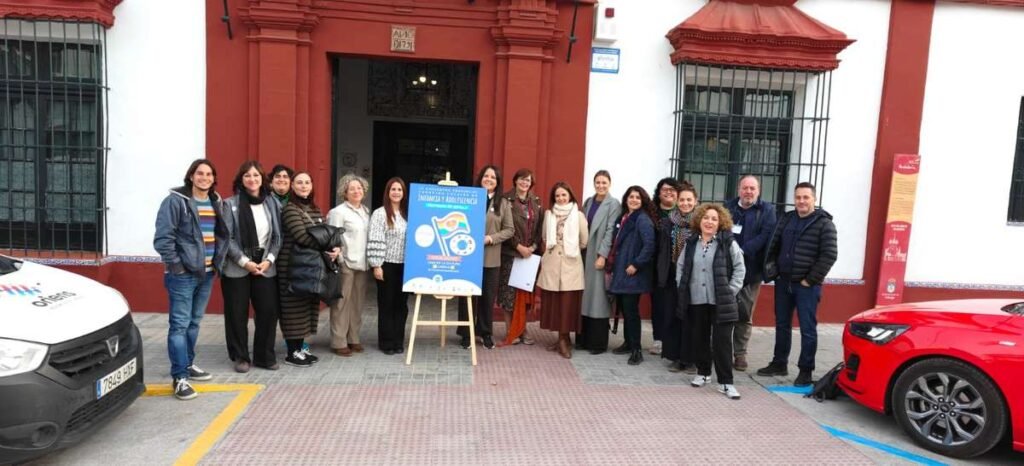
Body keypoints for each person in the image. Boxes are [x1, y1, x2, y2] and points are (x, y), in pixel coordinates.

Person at [153, 159, 222, 400]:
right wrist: (177, 267)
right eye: (200, 173)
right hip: (183, 276)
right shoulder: (176, 201)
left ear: (213, 178)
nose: (205, 177)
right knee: (179, 325)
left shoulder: (215, 201)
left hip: (207, 273)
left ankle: (188, 364)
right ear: (191, 176)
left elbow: (221, 234)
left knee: (194, 323)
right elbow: (163, 238)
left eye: (209, 174)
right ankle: (179, 377)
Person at [757, 182, 838, 387]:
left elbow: (829, 255)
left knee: (807, 329)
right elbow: (774, 245)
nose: (801, 201)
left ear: (814, 199)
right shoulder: (787, 219)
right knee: (782, 325)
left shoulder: (824, 224)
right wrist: (774, 270)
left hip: (807, 286)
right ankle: (779, 363)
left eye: (806, 197)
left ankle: (805, 371)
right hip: (783, 282)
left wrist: (809, 280)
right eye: (798, 197)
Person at [676, 203, 746, 400]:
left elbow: (740, 269)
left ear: (720, 222)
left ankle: (726, 382)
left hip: (721, 301)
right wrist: (682, 286)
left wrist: (730, 291)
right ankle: (703, 372)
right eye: (706, 218)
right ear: (699, 220)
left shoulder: (728, 242)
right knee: (700, 337)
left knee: (722, 342)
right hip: (696, 299)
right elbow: (681, 266)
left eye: (714, 219)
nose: (709, 222)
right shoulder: (691, 242)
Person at [218, 161, 283, 373]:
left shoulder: (272, 203)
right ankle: (241, 357)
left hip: (265, 265)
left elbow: (277, 236)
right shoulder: (229, 204)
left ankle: (264, 356)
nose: (252, 179)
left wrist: (269, 259)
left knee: (268, 311)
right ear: (241, 180)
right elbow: (227, 238)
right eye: (247, 175)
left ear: (262, 179)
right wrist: (245, 262)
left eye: (256, 175)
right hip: (238, 266)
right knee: (236, 313)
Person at [277, 172, 341, 366]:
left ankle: (300, 349)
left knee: (306, 307)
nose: (304, 186)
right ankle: (292, 352)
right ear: (292, 186)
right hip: (293, 266)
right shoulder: (290, 209)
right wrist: (327, 245)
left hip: (311, 266)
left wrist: (335, 246)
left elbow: (326, 232)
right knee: (293, 309)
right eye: (299, 182)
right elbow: (302, 237)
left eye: (307, 182)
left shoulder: (314, 208)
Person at [457, 165, 514, 349]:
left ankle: (485, 332)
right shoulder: (469, 198)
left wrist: (491, 238)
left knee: (487, 297)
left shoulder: (503, 203)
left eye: (493, 177)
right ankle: (466, 333)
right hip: (467, 256)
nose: (489, 179)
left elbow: (509, 230)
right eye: (486, 176)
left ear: (497, 182)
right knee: (466, 295)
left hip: (491, 257)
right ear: (480, 178)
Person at [725, 175, 777, 372]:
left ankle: (740, 354)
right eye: (745, 188)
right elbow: (722, 229)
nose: (748, 192)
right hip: (727, 269)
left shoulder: (767, 210)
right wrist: (731, 250)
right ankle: (721, 350)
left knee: (744, 314)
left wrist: (742, 250)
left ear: (758, 190)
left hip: (751, 271)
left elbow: (766, 235)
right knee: (722, 311)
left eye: (752, 188)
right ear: (739, 189)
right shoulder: (728, 207)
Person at [537, 182, 589, 359]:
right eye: (557, 195)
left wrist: (569, 247)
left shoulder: (578, 215)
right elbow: (545, 237)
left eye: (564, 195)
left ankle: (564, 339)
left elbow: (584, 241)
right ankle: (562, 338)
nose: (560, 198)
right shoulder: (549, 214)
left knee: (568, 303)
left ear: (570, 196)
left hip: (570, 263)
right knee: (555, 303)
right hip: (552, 263)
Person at [607, 186, 657, 365]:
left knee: (631, 312)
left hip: (633, 272)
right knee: (625, 310)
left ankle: (636, 349)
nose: (634, 200)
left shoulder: (642, 219)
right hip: (622, 270)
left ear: (643, 201)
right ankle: (628, 343)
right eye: (631, 197)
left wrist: (636, 264)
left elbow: (649, 245)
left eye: (638, 197)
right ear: (626, 199)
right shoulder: (624, 217)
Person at [326, 174, 371, 357]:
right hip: (346, 262)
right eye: (352, 188)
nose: (356, 191)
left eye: (359, 188)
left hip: (363, 263)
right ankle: (339, 341)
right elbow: (333, 237)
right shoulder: (338, 212)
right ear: (344, 192)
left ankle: (353, 338)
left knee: (357, 303)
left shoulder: (366, 211)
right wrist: (340, 257)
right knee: (341, 303)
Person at [498, 168, 544, 345]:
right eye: (522, 179)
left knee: (524, 296)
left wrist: (532, 247)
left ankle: (523, 330)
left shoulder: (536, 202)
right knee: (509, 295)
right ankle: (511, 331)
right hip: (511, 254)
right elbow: (504, 227)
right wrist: (518, 247)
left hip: (529, 256)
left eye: (528, 180)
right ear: (515, 180)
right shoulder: (506, 200)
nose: (525, 183)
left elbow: (540, 229)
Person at [367, 177, 410, 355]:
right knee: (387, 304)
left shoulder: (408, 213)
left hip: (405, 266)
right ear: (388, 192)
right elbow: (375, 239)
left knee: (402, 305)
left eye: (399, 189)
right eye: (393, 189)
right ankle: (386, 342)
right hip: (386, 265)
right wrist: (376, 265)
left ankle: (398, 341)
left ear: (404, 193)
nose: (396, 192)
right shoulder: (379, 213)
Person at [579, 170, 620, 354]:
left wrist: (603, 255)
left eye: (604, 182)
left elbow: (611, 231)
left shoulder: (614, 204)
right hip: (585, 254)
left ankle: (597, 343)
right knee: (585, 298)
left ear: (609, 184)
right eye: (598, 182)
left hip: (598, 255)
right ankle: (583, 339)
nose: (601, 185)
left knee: (598, 299)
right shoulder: (588, 202)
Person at [659, 181, 698, 372]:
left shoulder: (701, 222)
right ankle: (675, 356)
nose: (685, 203)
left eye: (689, 200)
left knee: (691, 319)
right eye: (682, 200)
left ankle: (690, 358)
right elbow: (662, 250)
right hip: (672, 275)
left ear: (695, 201)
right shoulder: (669, 221)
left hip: (693, 277)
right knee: (673, 317)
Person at [650, 177, 682, 356]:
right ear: (659, 192)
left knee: (674, 303)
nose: (668, 192)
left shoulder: (682, 212)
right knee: (658, 303)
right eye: (665, 189)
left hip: (677, 265)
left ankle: (671, 340)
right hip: (656, 266)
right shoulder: (652, 211)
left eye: (672, 190)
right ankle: (658, 339)